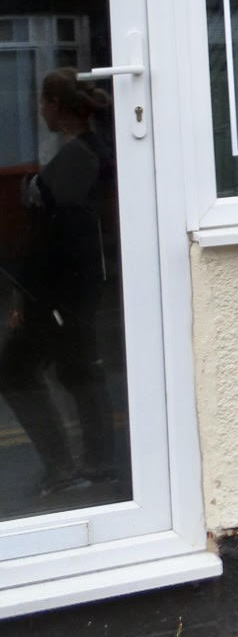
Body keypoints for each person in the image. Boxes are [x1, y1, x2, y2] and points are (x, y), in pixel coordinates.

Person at [0, 68, 116, 496]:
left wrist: (26, 296)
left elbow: (52, 235)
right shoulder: (86, 151)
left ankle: (67, 469)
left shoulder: (79, 157)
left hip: (57, 289)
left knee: (17, 372)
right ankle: (97, 464)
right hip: (72, 285)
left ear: (54, 106)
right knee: (80, 370)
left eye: (42, 102)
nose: (38, 109)